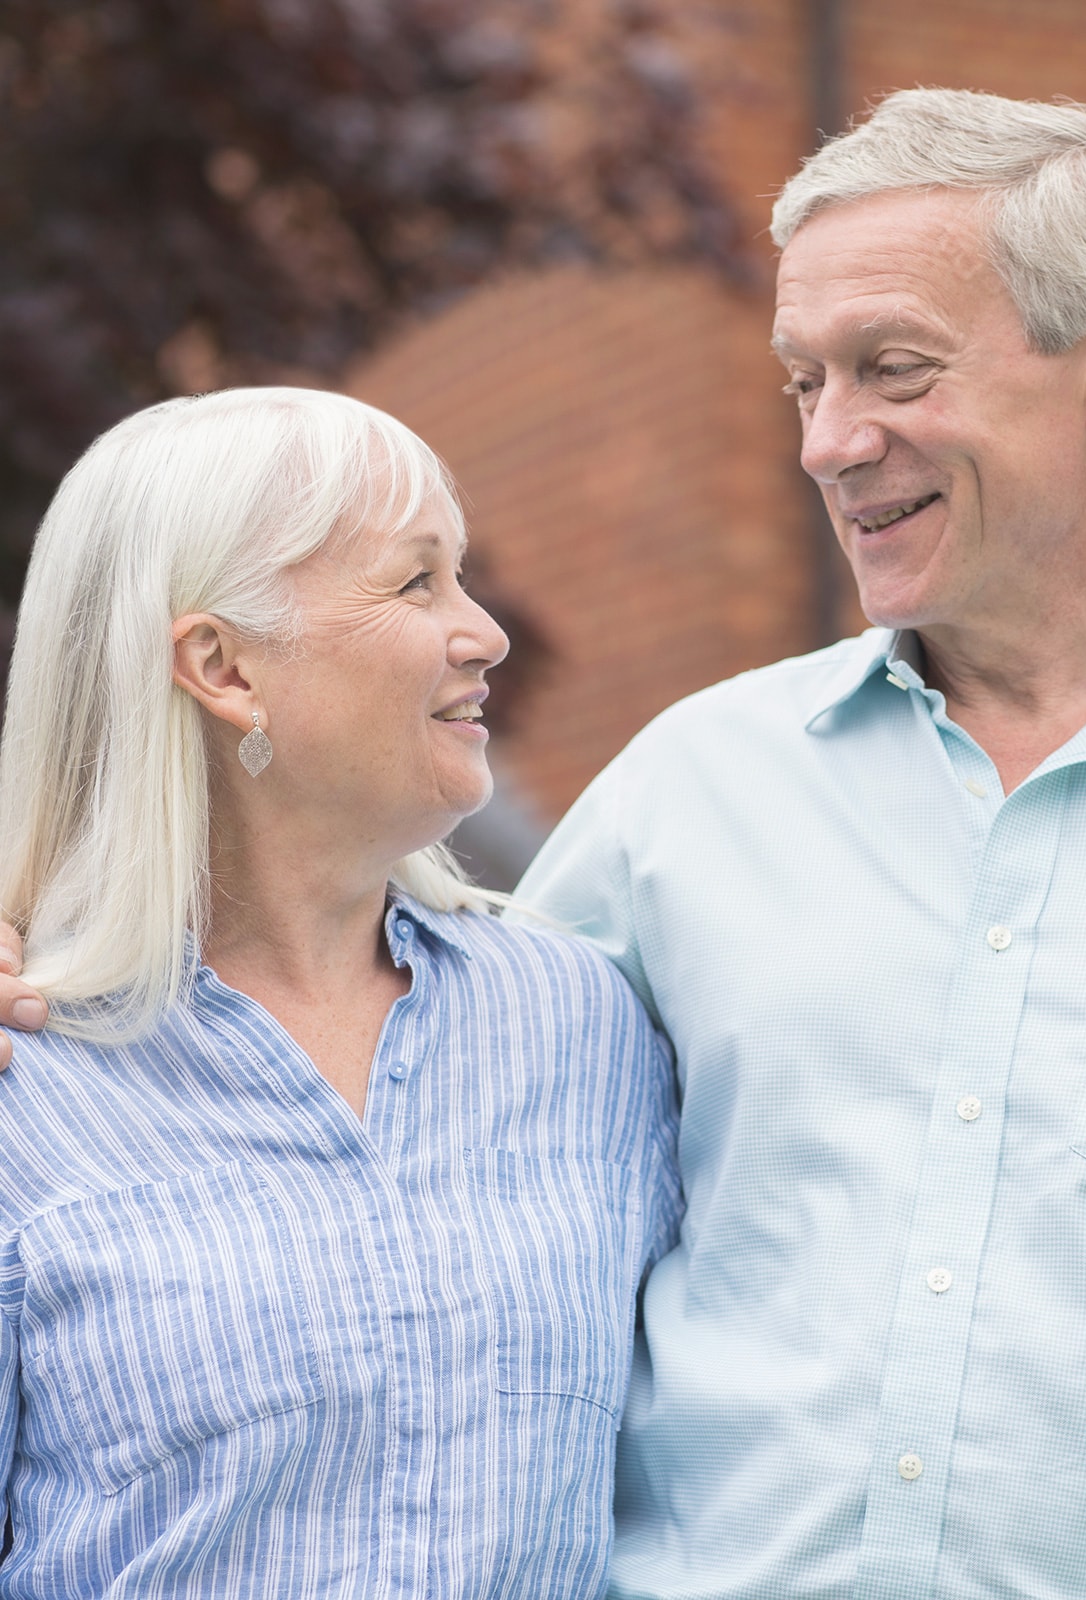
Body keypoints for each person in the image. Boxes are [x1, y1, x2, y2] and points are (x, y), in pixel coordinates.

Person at [0, 89, 1086, 1598]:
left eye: (892, 369)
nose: (830, 442)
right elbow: (366, 1021)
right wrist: (37, 930)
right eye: (803, 384)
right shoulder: (688, 793)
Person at [0, 389, 679, 1597]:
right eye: (416, 583)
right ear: (223, 666)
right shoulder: (26, 1082)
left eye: (461, 577)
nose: (484, 634)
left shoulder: (581, 1023)